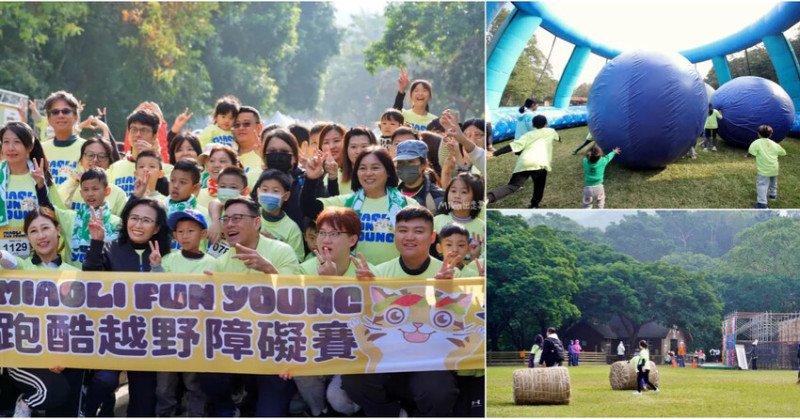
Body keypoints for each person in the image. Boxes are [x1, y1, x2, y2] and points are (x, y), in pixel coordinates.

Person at [342, 206, 460, 417]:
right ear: (394, 234)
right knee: (353, 379)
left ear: (432, 237)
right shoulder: (377, 273)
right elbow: (366, 322)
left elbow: (458, 326)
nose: (409, 237)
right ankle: (392, 413)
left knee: (439, 392)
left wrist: (447, 292)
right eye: (403, 230)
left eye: (418, 231)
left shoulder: (450, 274)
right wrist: (367, 291)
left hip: (428, 361)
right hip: (386, 359)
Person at [201, 196, 298, 417]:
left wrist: (269, 270)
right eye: (226, 219)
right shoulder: (223, 260)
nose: (229, 225)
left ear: (256, 223)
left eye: (237, 218)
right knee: (208, 372)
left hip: (275, 346)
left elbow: (295, 302)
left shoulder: (281, 251)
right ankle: (228, 406)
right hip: (238, 341)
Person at [82, 197, 173, 417]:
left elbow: (171, 298)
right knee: (105, 380)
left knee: (143, 407)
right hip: (112, 333)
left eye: (146, 220)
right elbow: (90, 279)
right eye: (134, 218)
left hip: (148, 340)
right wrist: (96, 241)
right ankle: (86, 411)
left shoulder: (168, 255)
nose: (138, 225)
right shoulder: (110, 249)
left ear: (157, 227)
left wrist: (158, 267)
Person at [0, 208, 84, 417]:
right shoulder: (20, 268)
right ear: (28, 237)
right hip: (25, 355)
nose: (41, 236)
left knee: (65, 401)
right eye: (33, 231)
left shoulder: (75, 273)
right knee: (51, 392)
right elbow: (6, 258)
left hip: (62, 356)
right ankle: (25, 405)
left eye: (45, 228)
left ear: (57, 230)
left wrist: (61, 358)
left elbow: (76, 324)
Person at [301, 146, 418, 266]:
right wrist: (311, 179)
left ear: (388, 171)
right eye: (362, 168)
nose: (368, 173)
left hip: (393, 278)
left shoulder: (407, 204)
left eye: (375, 168)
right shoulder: (346, 204)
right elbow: (308, 208)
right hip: (355, 277)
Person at [149, 209, 214, 417]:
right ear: (175, 236)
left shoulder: (213, 264)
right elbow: (156, 290)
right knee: (164, 386)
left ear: (203, 234)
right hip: (167, 331)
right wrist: (156, 266)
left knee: (194, 383)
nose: (185, 236)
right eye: (180, 231)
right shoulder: (168, 260)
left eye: (191, 231)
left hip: (196, 334)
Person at [0, 122, 65, 260]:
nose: (10, 148)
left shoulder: (41, 178)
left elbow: (58, 216)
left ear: (29, 146)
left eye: (17, 142)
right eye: (6, 142)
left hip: (36, 258)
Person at [487, 115, 559, 209]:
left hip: (524, 161)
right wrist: (559, 139)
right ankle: (534, 205)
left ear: (533, 125)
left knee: (513, 185)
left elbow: (512, 146)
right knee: (539, 187)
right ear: (546, 123)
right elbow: (558, 138)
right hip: (540, 164)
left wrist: (494, 153)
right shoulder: (551, 131)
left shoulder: (528, 135)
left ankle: (488, 198)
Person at [59, 136, 128, 216]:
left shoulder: (118, 194)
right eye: (90, 155)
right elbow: (59, 212)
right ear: (81, 160)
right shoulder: (69, 187)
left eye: (101, 156)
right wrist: (72, 183)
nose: (95, 160)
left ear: (109, 163)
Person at [250, 169, 304, 261]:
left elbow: (297, 261)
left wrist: (275, 245)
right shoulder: (249, 216)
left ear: (286, 196)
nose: (269, 194)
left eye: (275, 191)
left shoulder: (291, 229)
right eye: (265, 190)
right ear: (258, 192)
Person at [41, 91, 86, 186]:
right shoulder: (40, 149)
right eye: (55, 112)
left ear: (76, 117)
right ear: (48, 119)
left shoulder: (87, 148)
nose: (60, 115)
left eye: (65, 111)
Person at [394, 140, 444, 213]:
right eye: (401, 162)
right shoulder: (391, 195)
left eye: (410, 162)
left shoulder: (438, 197)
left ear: (424, 164)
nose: (405, 166)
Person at [746, 125, 786, 209]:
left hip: (763, 170)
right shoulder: (774, 144)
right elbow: (783, 152)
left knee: (762, 185)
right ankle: (773, 196)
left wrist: (748, 156)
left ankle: (762, 204)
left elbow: (751, 152)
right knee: (773, 183)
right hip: (774, 169)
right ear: (770, 135)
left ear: (759, 134)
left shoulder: (756, 142)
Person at [393, 68, 436, 133]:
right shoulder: (404, 115)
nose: (420, 94)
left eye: (424, 91)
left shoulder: (434, 121)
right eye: (416, 91)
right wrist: (402, 89)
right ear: (411, 95)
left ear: (430, 96)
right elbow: (394, 115)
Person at [582, 144, 620, 209]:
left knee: (586, 206)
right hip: (599, 188)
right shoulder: (603, 161)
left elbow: (587, 157)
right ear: (600, 156)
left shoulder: (585, 161)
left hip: (588, 189)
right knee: (600, 204)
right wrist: (614, 152)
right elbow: (608, 157)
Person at [232, 105, 264, 177]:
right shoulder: (227, 155)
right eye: (236, 125)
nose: (241, 128)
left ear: (259, 127)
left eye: (246, 124)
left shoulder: (264, 156)